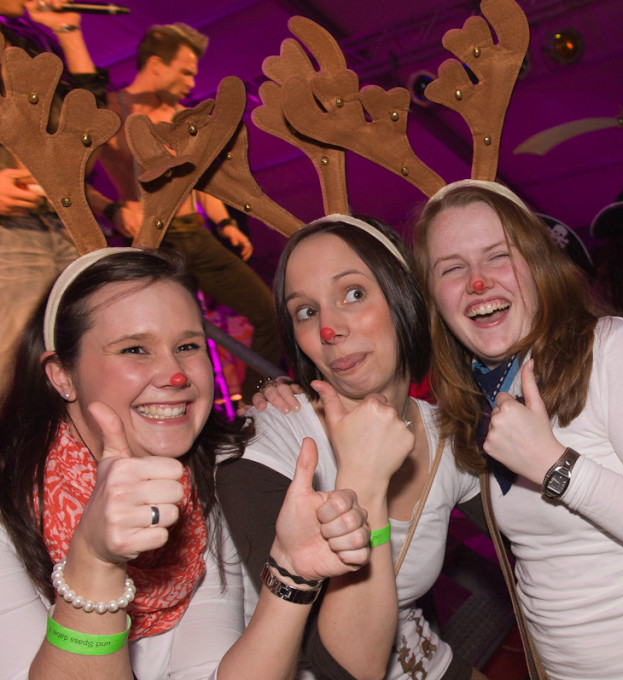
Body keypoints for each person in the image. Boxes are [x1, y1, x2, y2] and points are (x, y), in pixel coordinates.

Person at [414, 180, 623, 679]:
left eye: (498, 256)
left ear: (537, 264)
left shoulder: (613, 351)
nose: (478, 283)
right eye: (451, 268)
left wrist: (556, 466)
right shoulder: (474, 401)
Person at [0, 247, 370, 679]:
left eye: (188, 346)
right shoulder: (11, 513)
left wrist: (289, 572)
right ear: (62, 375)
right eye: (135, 349)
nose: (176, 375)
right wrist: (95, 564)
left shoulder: (201, 486)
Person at [217, 215, 484, 680]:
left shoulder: (446, 434)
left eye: (354, 293)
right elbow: (344, 669)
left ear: (404, 296)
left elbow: (548, 543)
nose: (329, 329)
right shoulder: (268, 446)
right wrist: (364, 477)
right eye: (306, 311)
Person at [94, 22, 281, 401]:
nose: (191, 81)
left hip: (196, 233)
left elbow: (202, 182)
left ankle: (256, 406)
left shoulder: (184, 117)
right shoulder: (114, 109)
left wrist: (225, 223)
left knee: (271, 313)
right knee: (174, 336)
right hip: (152, 242)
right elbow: (77, 178)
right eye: (184, 71)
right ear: (155, 65)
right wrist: (111, 209)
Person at [0, 0, 105, 387]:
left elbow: (90, 136)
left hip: (65, 226)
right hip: (9, 238)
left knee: (88, 359)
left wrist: (69, 33)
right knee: (16, 375)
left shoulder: (26, 48)